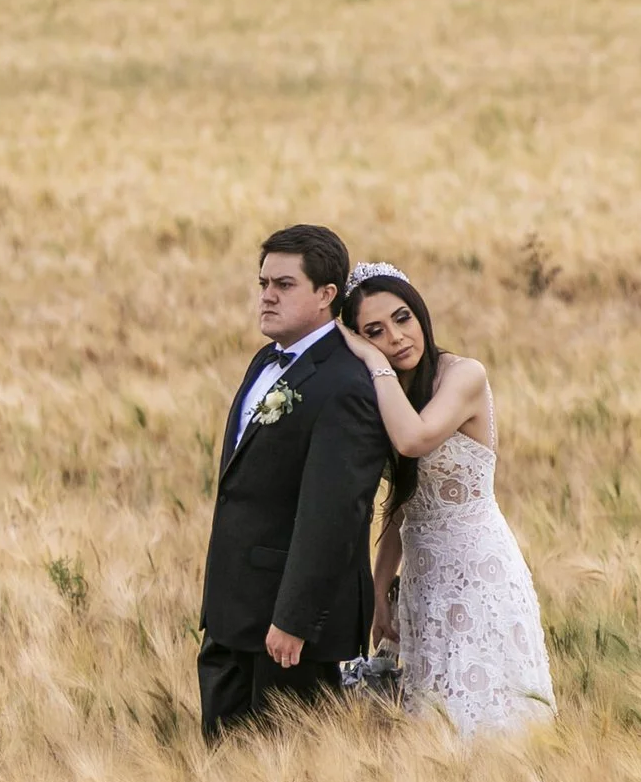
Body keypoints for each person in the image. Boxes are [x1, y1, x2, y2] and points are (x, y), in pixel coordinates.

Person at [337, 261, 555, 737]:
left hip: (480, 571)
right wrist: (379, 588)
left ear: (419, 313)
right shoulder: (393, 394)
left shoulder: (464, 375)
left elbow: (414, 441)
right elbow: (400, 501)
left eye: (402, 318)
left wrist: (371, 362)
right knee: (430, 719)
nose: (395, 337)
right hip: (423, 579)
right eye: (374, 332)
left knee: (483, 712)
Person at [195, 226, 391, 742]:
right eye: (263, 283)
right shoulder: (265, 360)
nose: (266, 295)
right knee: (223, 773)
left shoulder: (346, 384)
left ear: (327, 295)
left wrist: (295, 619)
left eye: (284, 284)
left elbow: (334, 513)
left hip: (290, 630)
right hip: (233, 612)